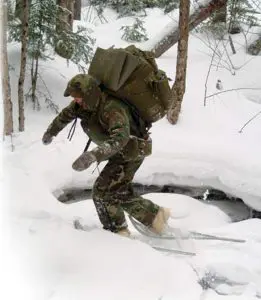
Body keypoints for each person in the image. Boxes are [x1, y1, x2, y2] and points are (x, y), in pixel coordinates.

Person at [42, 74, 171, 237]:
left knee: (102, 192)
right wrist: (51, 132)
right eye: (74, 98)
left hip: (131, 151)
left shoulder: (111, 107)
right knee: (118, 191)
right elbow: (65, 115)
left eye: (78, 97)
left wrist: (93, 156)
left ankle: (117, 232)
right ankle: (155, 217)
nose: (76, 101)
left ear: (89, 94)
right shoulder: (82, 104)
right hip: (120, 151)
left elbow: (120, 138)